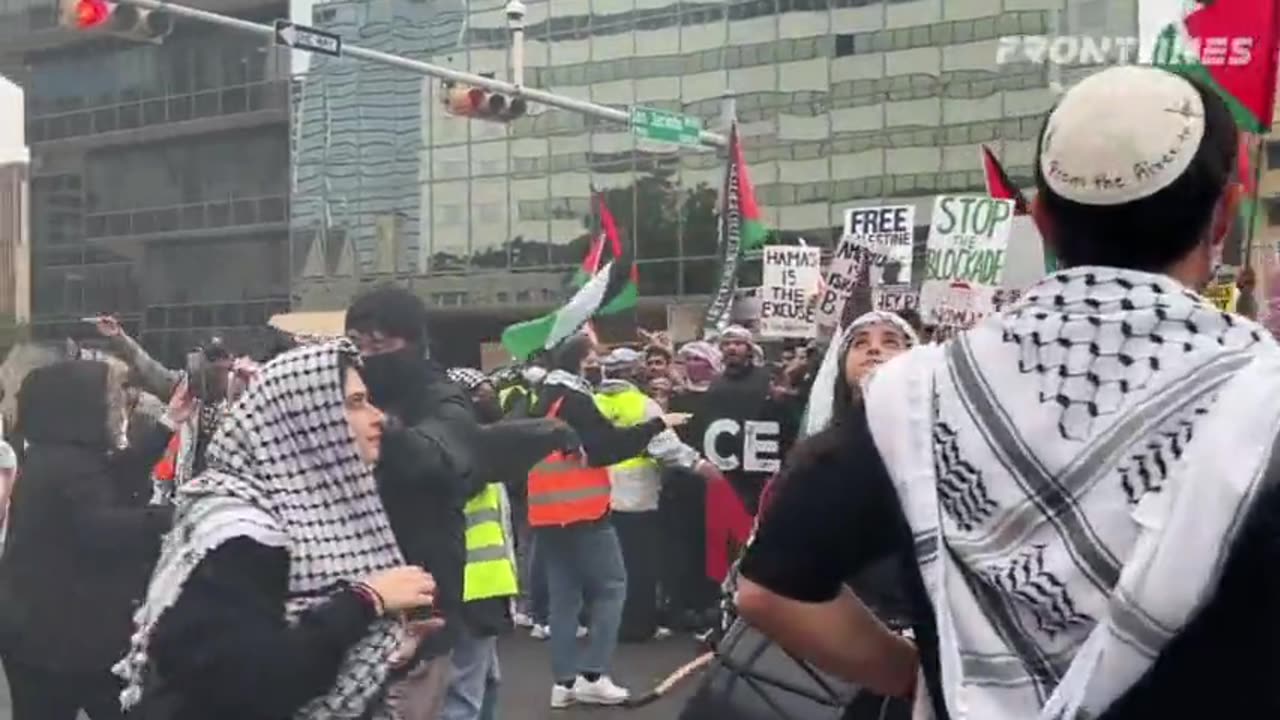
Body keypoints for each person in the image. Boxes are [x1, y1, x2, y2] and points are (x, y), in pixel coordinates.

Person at [737, 65, 1280, 719]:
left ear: (1042, 219)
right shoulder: (1263, 397)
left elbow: (768, 592)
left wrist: (918, 675)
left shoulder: (917, 397)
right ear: (1222, 217)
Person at [115, 340, 441, 720]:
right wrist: (367, 601)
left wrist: (382, 645)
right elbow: (250, 686)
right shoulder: (242, 533)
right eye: (355, 403)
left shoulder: (300, 510)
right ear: (305, 421)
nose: (378, 417)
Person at [0, 357, 187, 720]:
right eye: (111, 404)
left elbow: (116, 476)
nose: (118, 413)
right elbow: (101, 527)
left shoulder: (65, 458)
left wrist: (169, 422)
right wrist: (172, 516)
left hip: (62, 634)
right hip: (53, 639)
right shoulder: (60, 466)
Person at [528, 331, 688, 708]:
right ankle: (594, 675)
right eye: (594, 356)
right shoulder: (577, 399)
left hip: (546, 512)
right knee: (612, 588)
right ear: (582, 360)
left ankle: (563, 683)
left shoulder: (542, 398)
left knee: (564, 598)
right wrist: (658, 424)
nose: (599, 363)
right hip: (584, 512)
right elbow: (606, 448)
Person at [346, 285, 482, 720]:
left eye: (379, 344)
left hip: (420, 598)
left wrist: (380, 427)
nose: (367, 355)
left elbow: (439, 455)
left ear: (412, 342)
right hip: (354, 594)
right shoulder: (351, 395)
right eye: (357, 344)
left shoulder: (442, 396)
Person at [595, 347, 712, 643]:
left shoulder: (591, 402)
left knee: (607, 566)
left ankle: (606, 623)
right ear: (633, 372)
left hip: (596, 494)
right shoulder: (642, 404)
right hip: (636, 496)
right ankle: (637, 625)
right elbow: (664, 446)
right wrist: (699, 464)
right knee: (638, 565)